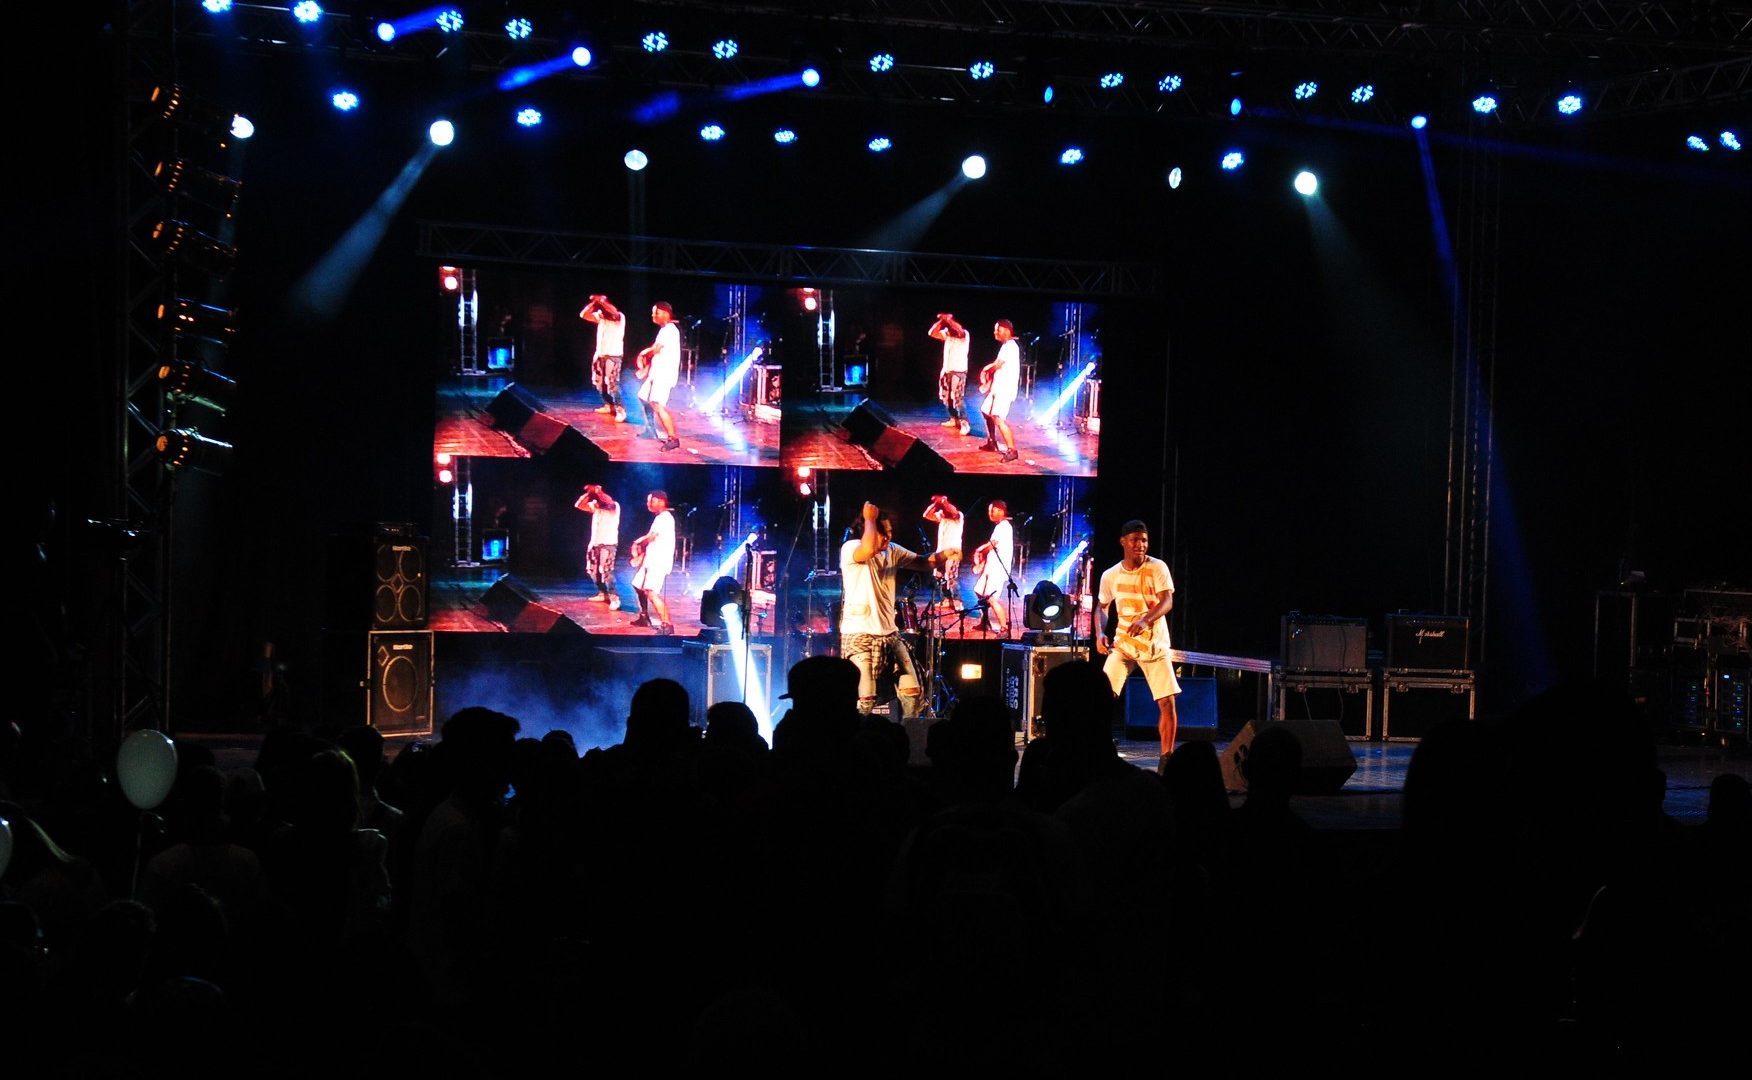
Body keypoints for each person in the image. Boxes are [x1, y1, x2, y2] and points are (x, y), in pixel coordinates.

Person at [841, 501, 957, 718]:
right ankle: (854, 739)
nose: (888, 538)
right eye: (883, 533)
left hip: (889, 634)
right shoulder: (852, 548)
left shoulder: (892, 551)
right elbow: (867, 549)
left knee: (912, 692)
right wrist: (869, 519)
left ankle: (906, 738)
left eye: (890, 533)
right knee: (865, 699)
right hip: (860, 633)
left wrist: (944, 554)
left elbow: (923, 562)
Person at [1095, 519, 1180, 759]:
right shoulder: (1110, 575)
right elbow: (1102, 607)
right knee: (1101, 696)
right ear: (1123, 542)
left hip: (1154, 644)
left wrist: (1145, 620)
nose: (1140, 544)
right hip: (1123, 644)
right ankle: (1096, 749)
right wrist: (1100, 633)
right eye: (1135, 540)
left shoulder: (1158, 567)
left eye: (1144, 540)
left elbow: (1167, 601)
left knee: (1166, 702)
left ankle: (1167, 758)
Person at [634, 301, 682, 451]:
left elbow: (656, 349)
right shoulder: (664, 330)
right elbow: (658, 354)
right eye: (653, 312)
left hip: (664, 374)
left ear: (666, 314)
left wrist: (643, 353)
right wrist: (646, 369)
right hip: (657, 372)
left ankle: (673, 438)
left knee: (656, 403)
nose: (653, 315)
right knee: (643, 397)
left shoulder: (669, 329)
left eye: (657, 312)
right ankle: (650, 429)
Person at [628, 490, 677, 634]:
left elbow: (652, 537)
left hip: (658, 561)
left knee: (651, 591)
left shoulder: (665, 517)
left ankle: (667, 625)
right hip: (651, 559)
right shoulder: (660, 518)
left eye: (651, 501)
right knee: (637, 585)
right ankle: (644, 616)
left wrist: (637, 543)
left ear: (661, 501)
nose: (648, 504)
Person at [977, 319, 1021, 463]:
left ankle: (1012, 450)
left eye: (998, 329)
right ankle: (992, 442)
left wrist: (985, 369)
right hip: (998, 387)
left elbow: (998, 364)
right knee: (986, 411)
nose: (995, 332)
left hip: (1005, 389)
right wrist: (989, 382)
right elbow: (998, 367)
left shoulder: (1010, 346)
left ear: (1007, 330)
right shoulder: (1006, 346)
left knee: (997, 417)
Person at [579, 294, 627, 422]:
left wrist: (602, 301)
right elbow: (583, 315)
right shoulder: (601, 317)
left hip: (613, 355)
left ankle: (620, 410)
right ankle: (609, 405)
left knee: (612, 384)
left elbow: (613, 312)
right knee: (598, 383)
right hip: (600, 354)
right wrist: (594, 303)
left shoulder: (619, 317)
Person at [574, 483, 621, 610]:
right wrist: (589, 493)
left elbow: (608, 501)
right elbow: (578, 505)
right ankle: (602, 593)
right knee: (592, 571)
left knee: (606, 571)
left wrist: (599, 492)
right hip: (594, 543)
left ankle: (614, 598)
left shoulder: (614, 506)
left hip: (608, 543)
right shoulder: (596, 507)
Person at [971, 500, 1014, 637]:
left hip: (998, 568)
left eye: (993, 510)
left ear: (1001, 510)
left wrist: (979, 551)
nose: (990, 513)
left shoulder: (1004, 526)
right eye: (989, 510)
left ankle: (1004, 628)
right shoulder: (999, 526)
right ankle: (985, 621)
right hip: (991, 566)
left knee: (991, 597)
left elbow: (992, 545)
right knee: (979, 591)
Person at [928, 312, 972, 436]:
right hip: (946, 370)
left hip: (958, 371)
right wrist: (941, 322)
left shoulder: (964, 334)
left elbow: (958, 329)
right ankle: (954, 419)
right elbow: (931, 333)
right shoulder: (947, 334)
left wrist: (948, 320)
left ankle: (965, 423)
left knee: (957, 398)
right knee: (945, 397)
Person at [922, 494, 964, 602]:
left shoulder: (958, 516)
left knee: (951, 578)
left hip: (953, 552)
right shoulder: (942, 516)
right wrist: (936, 503)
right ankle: (946, 600)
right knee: (939, 577)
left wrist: (943, 501)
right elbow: (926, 515)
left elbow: (953, 511)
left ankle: (958, 602)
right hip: (941, 552)